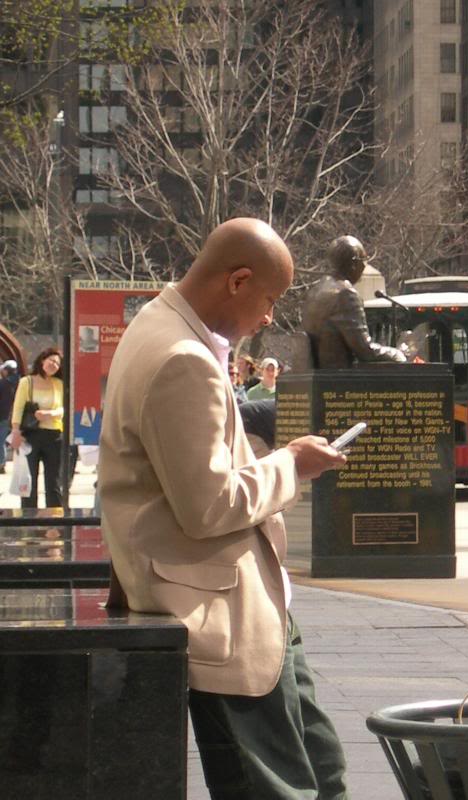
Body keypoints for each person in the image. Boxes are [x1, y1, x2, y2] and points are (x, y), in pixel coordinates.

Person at [98, 218, 349, 800]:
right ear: (238, 280)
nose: (269, 318)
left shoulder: (166, 329)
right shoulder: (181, 356)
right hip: (215, 610)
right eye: (269, 299)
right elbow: (208, 506)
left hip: (248, 603)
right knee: (278, 786)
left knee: (322, 770)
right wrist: (293, 464)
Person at [302, 234, 407, 368]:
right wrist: (395, 353)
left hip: (317, 375)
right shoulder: (345, 294)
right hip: (340, 379)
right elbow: (365, 350)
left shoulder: (315, 291)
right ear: (353, 264)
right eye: (363, 261)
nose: (364, 267)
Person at [10, 348, 64, 508]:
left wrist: (50, 413)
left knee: (53, 482)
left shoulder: (59, 384)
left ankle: (55, 524)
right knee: (29, 480)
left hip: (54, 436)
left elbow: (63, 409)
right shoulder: (27, 382)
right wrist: (15, 431)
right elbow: (18, 408)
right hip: (30, 435)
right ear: (42, 360)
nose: (54, 365)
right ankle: (29, 522)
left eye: (57, 363)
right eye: (51, 361)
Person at [0, 360, 18, 474]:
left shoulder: (3, 384)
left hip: (2, 416)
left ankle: (1, 463)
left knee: (0, 440)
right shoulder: (21, 382)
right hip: (15, 417)